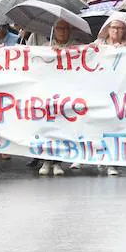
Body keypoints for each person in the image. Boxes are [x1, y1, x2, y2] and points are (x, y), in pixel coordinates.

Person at [93, 12, 126, 177]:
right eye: (113, 27)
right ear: (107, 29)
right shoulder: (97, 44)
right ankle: (94, 155)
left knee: (114, 128)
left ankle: (112, 162)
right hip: (99, 91)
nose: (116, 31)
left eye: (120, 28)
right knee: (97, 126)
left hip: (119, 93)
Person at [38, 19, 80, 176]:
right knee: (47, 128)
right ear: (53, 30)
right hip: (47, 94)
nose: (62, 31)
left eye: (65, 28)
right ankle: (45, 161)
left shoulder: (76, 48)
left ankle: (57, 162)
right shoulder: (44, 47)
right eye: (59, 28)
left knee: (62, 129)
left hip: (67, 94)